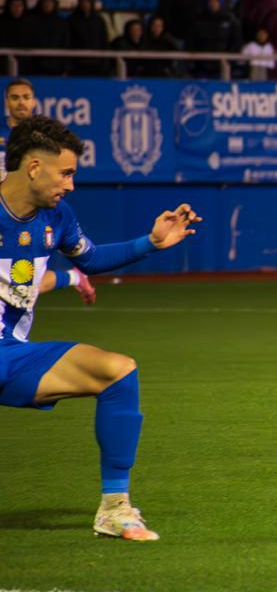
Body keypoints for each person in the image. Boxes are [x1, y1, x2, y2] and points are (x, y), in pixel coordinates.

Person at [0, 114, 201, 541]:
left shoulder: (58, 218)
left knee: (118, 371)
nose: (70, 184)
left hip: (10, 355)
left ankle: (114, 508)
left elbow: (88, 259)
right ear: (34, 167)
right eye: (66, 173)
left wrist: (152, 243)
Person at [0, 80, 98, 303]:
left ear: (34, 101)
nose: (21, 103)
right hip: (6, 209)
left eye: (26, 97)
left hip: (25, 216)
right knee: (19, 281)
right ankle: (74, 277)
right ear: (6, 101)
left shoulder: (46, 140)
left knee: (23, 280)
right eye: (14, 97)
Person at [188, 0, 243, 71]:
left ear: (221, 2)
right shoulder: (199, 20)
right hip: (201, 65)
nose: (213, 3)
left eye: (216, 1)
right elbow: (191, 41)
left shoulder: (230, 20)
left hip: (224, 64)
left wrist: (229, 60)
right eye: (210, 1)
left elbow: (237, 42)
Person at [67, 0, 111, 77]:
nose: (85, 4)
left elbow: (104, 41)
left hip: (97, 65)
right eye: (83, 2)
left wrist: (105, 62)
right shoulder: (72, 20)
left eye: (87, 2)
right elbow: (69, 42)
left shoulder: (99, 20)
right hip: (79, 66)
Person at [26, 0, 68, 77]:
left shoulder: (61, 23)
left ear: (54, 4)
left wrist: (65, 67)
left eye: (50, 2)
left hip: (56, 68)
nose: (47, 4)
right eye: (45, 2)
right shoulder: (31, 22)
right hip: (35, 68)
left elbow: (66, 45)